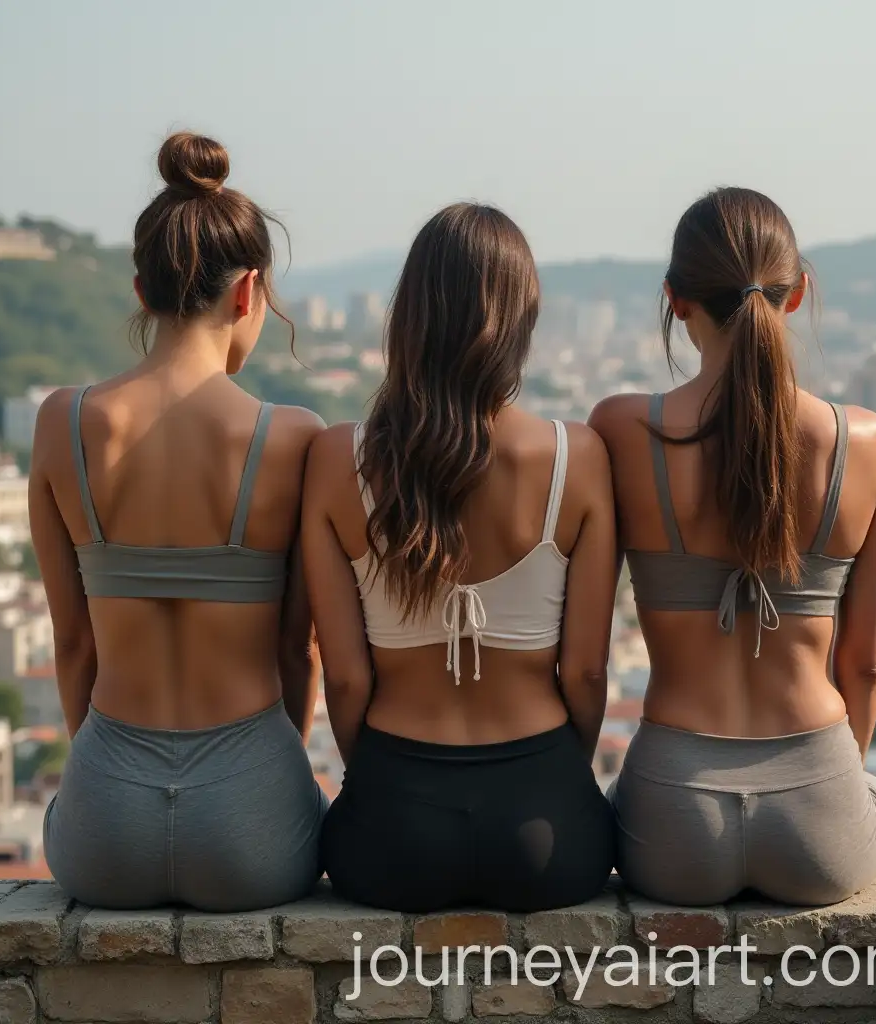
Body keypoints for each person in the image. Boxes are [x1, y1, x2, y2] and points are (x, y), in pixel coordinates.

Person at [31, 132, 327, 911]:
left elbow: (72, 643)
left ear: (140, 289)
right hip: (252, 819)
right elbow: (298, 652)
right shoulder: (292, 437)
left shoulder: (62, 424)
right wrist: (263, 780)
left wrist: (104, 770)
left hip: (104, 826)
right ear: (247, 293)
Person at [302, 203, 617, 913]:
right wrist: (562, 780)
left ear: (407, 315)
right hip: (549, 831)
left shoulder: (333, 460)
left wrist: (385, 786)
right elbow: (590, 671)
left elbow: (345, 679)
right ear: (523, 320)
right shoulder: (579, 459)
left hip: (391, 831)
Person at [590, 187, 876, 907]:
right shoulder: (868, 443)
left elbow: (587, 654)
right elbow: (867, 665)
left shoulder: (622, 429)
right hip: (818, 809)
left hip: (674, 812)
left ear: (675, 300)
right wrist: (825, 788)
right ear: (797, 295)